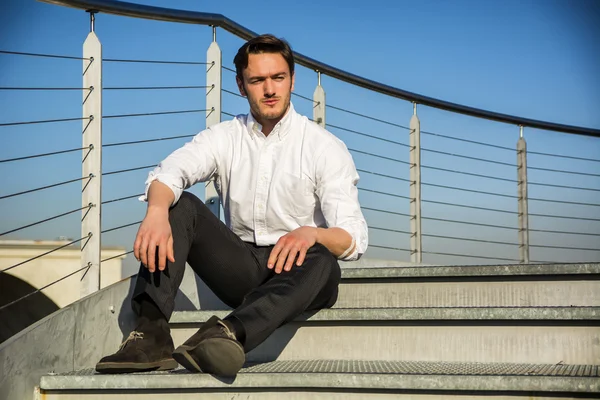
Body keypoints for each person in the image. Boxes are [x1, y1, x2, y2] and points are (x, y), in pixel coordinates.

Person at [95, 34, 368, 377]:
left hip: (299, 271)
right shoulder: (225, 137)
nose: (270, 89)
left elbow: (353, 237)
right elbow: (171, 171)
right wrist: (156, 211)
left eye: (278, 78)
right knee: (179, 206)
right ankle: (149, 334)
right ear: (241, 85)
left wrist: (312, 233)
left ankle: (225, 334)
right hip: (241, 265)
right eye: (258, 80)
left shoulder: (324, 147)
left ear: (292, 80)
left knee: (325, 262)